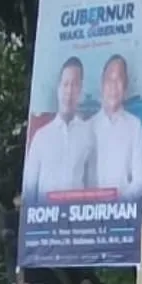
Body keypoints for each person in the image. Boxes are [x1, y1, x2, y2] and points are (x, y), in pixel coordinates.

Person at [21, 56, 96, 201]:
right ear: (58, 88)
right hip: (45, 220)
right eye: (66, 84)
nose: (69, 91)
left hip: (75, 220)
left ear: (80, 90)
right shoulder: (41, 137)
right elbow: (30, 189)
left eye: (74, 85)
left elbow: (91, 187)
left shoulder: (88, 135)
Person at [91, 54, 142, 200]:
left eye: (119, 80)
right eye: (110, 79)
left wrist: (117, 203)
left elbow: (140, 182)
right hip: (88, 215)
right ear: (102, 84)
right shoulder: (88, 128)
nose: (114, 86)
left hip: (122, 215)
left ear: (126, 87)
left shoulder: (135, 127)